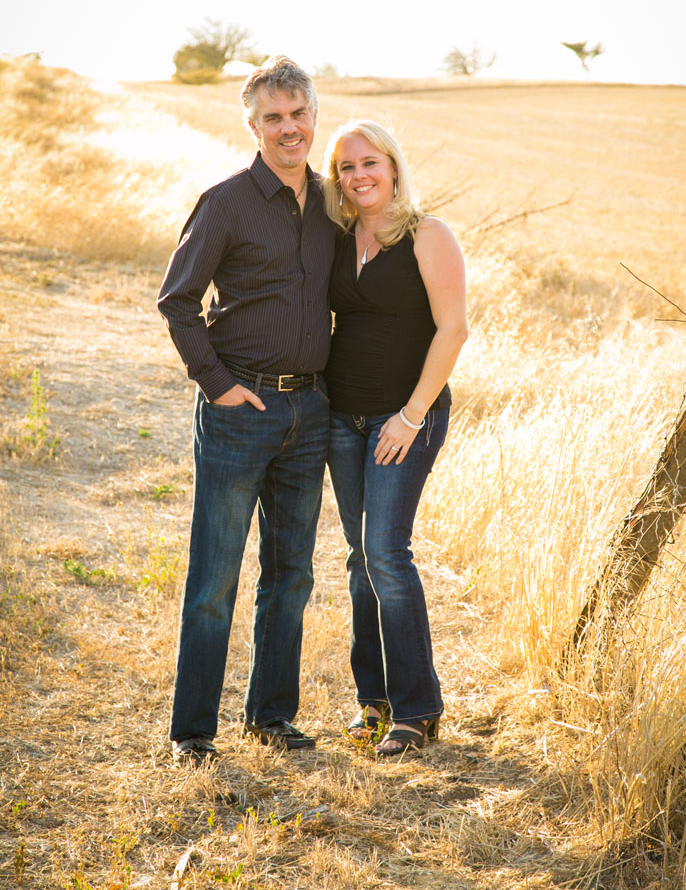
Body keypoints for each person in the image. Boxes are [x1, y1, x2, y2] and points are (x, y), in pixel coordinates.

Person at [158, 56, 335, 763]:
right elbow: (176, 301)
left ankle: (270, 717)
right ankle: (192, 732)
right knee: (215, 577)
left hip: (309, 412)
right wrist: (218, 384)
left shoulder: (333, 204)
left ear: (314, 116)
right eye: (273, 118)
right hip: (240, 409)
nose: (288, 129)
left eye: (297, 115)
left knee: (291, 574)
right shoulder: (225, 202)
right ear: (252, 124)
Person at [321, 120, 468, 756]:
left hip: (405, 417)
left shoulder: (427, 234)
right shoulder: (337, 237)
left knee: (386, 552)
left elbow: (453, 330)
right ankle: (373, 701)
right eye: (346, 167)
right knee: (359, 558)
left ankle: (417, 710)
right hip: (342, 417)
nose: (359, 175)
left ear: (393, 166)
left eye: (369, 162)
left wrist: (410, 416)